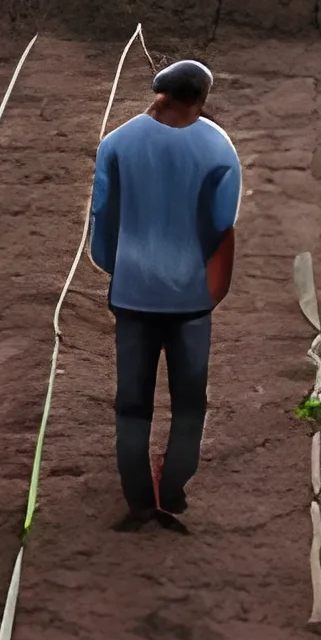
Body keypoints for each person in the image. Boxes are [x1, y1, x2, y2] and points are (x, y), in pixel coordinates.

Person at [88, 58, 242, 533]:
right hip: (191, 299)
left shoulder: (116, 143)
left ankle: (137, 499)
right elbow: (221, 225)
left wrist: (120, 266)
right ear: (199, 99)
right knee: (190, 399)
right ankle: (173, 487)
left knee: (132, 400)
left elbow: (103, 219)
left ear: (159, 95)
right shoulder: (219, 149)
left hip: (133, 294)